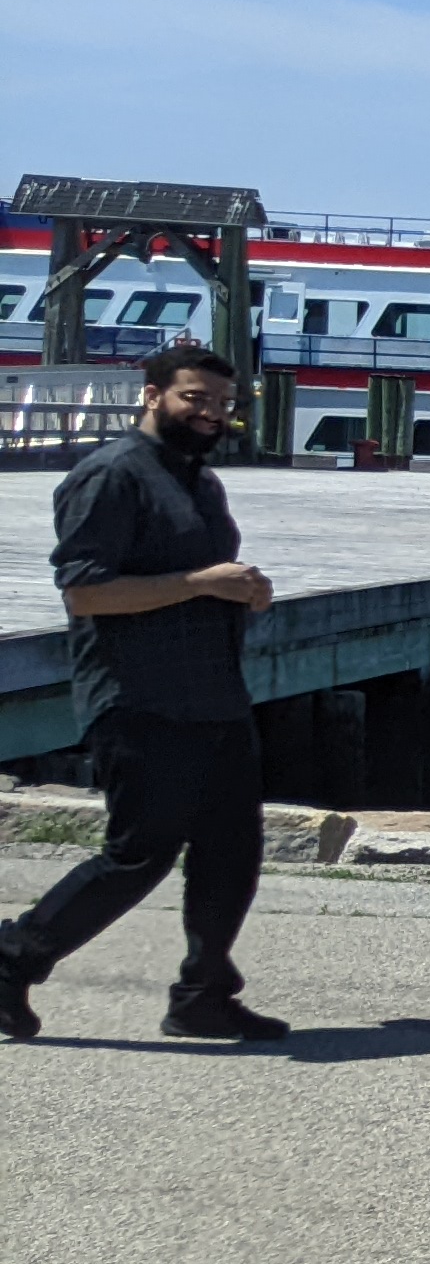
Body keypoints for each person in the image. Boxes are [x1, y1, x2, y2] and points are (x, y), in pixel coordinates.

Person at [0, 340, 284, 1044]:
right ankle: (11, 959)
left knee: (232, 848)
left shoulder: (198, 480)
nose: (212, 412)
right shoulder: (111, 475)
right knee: (139, 852)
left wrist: (244, 591)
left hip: (214, 695)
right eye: (195, 397)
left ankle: (203, 994)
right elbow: (86, 592)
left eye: (222, 402)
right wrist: (200, 584)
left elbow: (202, 572)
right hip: (138, 698)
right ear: (152, 395)